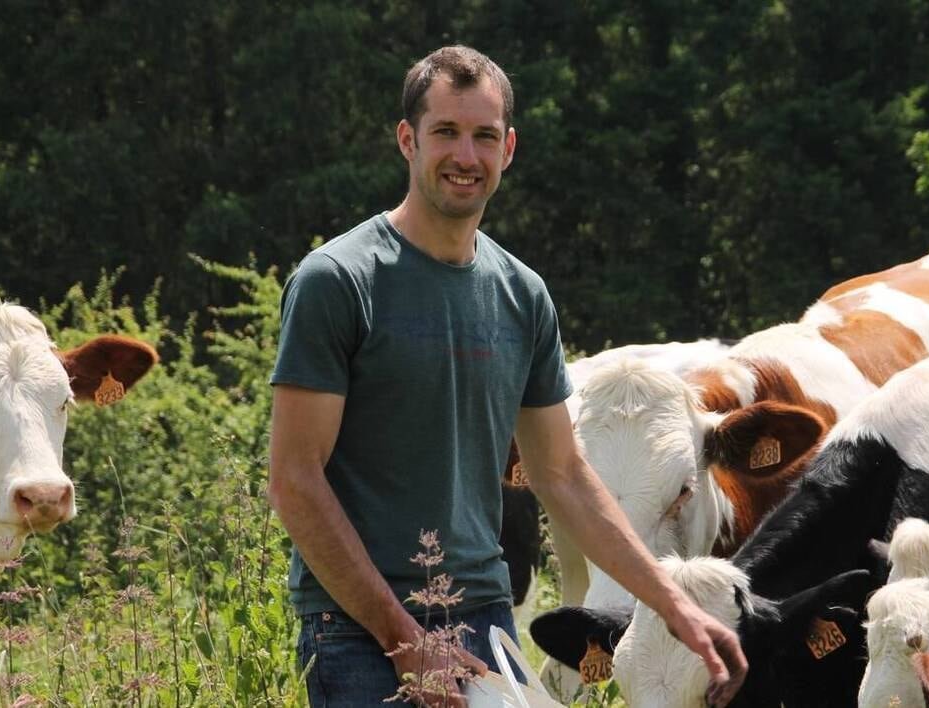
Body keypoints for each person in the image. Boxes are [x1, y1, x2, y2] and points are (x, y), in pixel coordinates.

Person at [267, 45, 747, 708]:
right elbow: (294, 479)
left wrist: (674, 607)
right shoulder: (338, 281)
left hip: (486, 623)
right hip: (358, 634)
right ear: (408, 140)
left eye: (484, 137)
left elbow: (564, 475)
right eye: (446, 133)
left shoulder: (523, 296)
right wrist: (403, 640)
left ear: (509, 148)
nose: (466, 156)